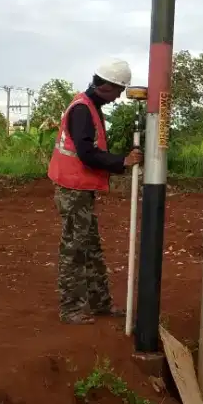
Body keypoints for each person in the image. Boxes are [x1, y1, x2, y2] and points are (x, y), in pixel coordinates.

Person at [47, 58, 143, 324]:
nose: (118, 98)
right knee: (75, 248)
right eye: (119, 91)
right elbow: (87, 153)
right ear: (106, 87)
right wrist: (121, 161)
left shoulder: (91, 106)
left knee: (91, 248)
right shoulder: (81, 110)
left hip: (80, 188)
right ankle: (71, 308)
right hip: (72, 189)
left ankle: (100, 304)